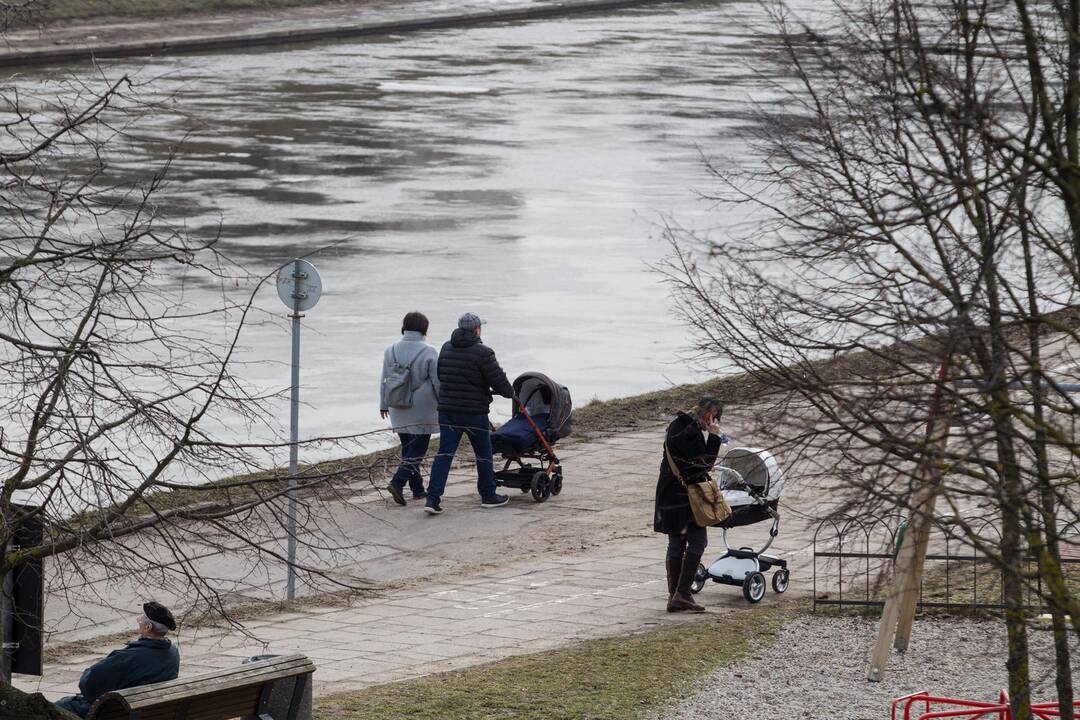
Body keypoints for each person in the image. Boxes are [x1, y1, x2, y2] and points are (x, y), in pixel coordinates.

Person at [424, 312, 515, 514]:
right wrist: (510, 392)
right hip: (474, 412)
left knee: (445, 453)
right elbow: (499, 383)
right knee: (483, 453)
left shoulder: (446, 348)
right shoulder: (483, 353)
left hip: (447, 411)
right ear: (477, 330)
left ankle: (432, 498)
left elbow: (441, 375)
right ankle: (488, 495)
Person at [654, 396, 726, 613]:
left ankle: (674, 595)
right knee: (698, 542)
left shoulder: (677, 424)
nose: (715, 422)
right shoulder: (692, 433)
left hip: (668, 491)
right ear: (708, 415)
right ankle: (682, 594)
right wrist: (714, 438)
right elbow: (702, 467)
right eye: (716, 418)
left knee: (676, 543)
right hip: (685, 496)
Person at [54, 602, 180, 717]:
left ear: (148, 627)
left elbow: (89, 683)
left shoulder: (128, 657)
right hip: (153, 712)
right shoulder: (173, 653)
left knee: (56, 707)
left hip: (116, 714)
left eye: (141, 618)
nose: (138, 620)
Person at [380, 311, 440, 506]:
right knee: (419, 448)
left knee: (408, 447)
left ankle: (417, 489)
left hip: (396, 403)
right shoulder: (429, 351)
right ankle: (397, 482)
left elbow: (384, 379)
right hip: (421, 407)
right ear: (425, 329)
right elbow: (437, 382)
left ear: (404, 326)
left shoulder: (390, 350)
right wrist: (444, 403)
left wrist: (383, 403)